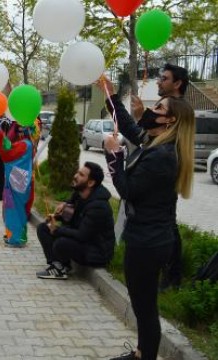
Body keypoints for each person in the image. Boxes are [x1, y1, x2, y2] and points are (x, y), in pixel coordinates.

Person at [98, 75, 195, 360]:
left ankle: (145, 355)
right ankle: (143, 352)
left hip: (148, 242)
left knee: (145, 307)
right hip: (148, 237)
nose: (151, 113)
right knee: (143, 304)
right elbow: (130, 126)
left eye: (158, 109)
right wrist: (111, 96)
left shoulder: (163, 156)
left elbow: (128, 189)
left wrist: (113, 157)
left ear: (170, 121)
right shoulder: (156, 145)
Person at [130, 64, 190, 292]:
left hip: (162, 174)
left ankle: (172, 276)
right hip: (156, 175)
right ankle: (169, 275)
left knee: (168, 226)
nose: (158, 81)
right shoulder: (164, 111)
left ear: (177, 84)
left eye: (164, 78)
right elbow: (141, 133)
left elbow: (149, 134)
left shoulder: (180, 111)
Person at [36, 162, 116, 280]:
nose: (75, 176)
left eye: (81, 175)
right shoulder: (79, 194)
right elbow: (71, 215)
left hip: (97, 251)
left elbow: (82, 235)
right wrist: (56, 216)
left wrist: (57, 230)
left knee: (61, 243)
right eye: (77, 172)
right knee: (43, 228)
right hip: (84, 242)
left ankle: (61, 268)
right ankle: (59, 266)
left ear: (91, 183)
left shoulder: (99, 206)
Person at [0, 120, 35, 248]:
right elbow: (9, 146)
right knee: (16, 209)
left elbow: (8, 152)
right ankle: (15, 235)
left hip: (17, 181)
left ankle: (15, 238)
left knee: (14, 210)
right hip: (18, 180)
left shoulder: (24, 145)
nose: (18, 132)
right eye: (18, 129)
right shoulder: (26, 144)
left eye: (20, 130)